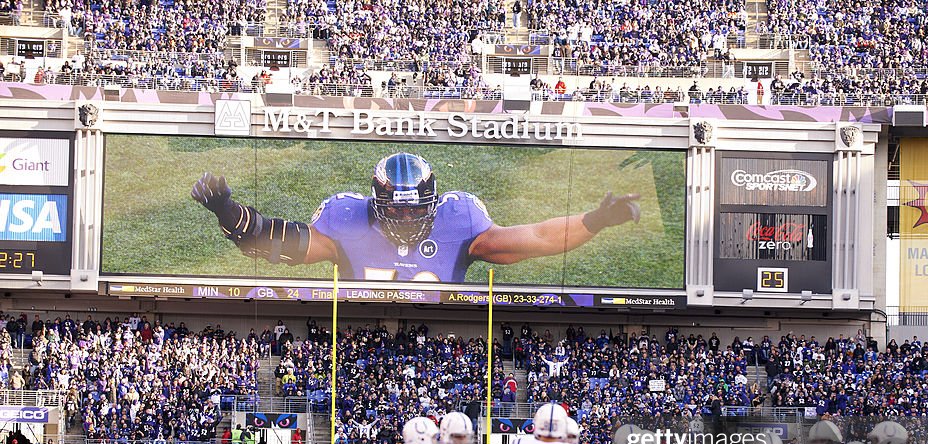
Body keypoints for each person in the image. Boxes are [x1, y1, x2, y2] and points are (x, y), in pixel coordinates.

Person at [192, 152, 640, 283]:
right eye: (397, 208)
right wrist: (230, 214)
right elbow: (278, 246)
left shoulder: (461, 221)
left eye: (414, 208)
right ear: (377, 201)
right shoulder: (346, 219)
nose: (406, 218)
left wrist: (593, 221)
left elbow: (539, 238)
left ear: (433, 201)